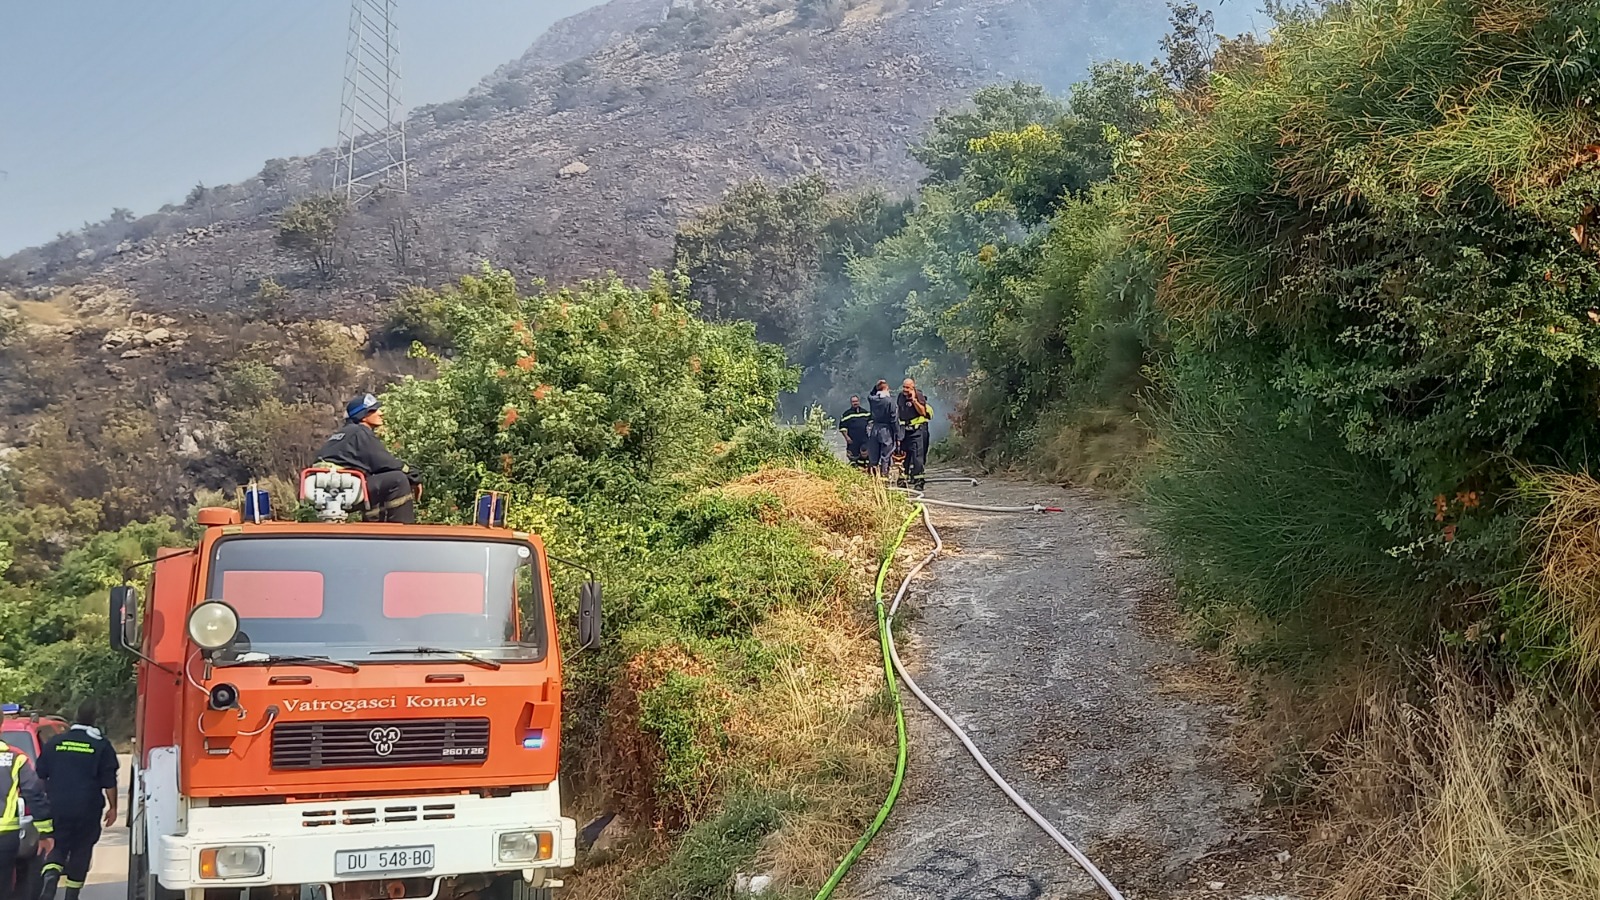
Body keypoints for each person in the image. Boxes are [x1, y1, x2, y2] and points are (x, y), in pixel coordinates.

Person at [35, 705, 114, 900]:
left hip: (58, 805)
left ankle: (51, 876)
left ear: (75, 719)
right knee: (82, 848)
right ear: (95, 720)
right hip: (87, 807)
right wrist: (114, 807)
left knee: (57, 845)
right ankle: (71, 894)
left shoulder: (55, 742)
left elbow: (40, 774)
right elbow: (109, 781)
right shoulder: (101, 745)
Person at [312, 393, 422, 524]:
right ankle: (402, 531)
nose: (380, 413)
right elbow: (385, 462)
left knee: (377, 479)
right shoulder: (360, 432)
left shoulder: (344, 434)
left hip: (325, 488)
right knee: (398, 479)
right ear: (363, 415)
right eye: (374, 410)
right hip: (341, 487)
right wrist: (413, 475)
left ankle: (372, 528)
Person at [0, 750, 51, 900]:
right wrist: (45, 831)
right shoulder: (16, 759)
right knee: (3, 886)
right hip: (5, 835)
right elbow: (33, 793)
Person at [897, 378, 933, 490]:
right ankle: (903, 479)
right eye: (904, 387)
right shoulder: (900, 397)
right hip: (904, 431)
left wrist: (914, 400)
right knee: (903, 457)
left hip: (917, 431)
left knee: (917, 457)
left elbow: (922, 412)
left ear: (913, 387)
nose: (905, 390)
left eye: (907, 387)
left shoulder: (918, 395)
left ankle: (918, 481)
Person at [866, 380, 900, 479]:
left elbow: (871, 393)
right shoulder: (890, 401)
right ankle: (884, 475)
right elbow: (894, 419)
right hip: (886, 430)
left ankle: (873, 477)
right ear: (887, 388)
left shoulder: (873, 400)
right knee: (886, 455)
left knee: (874, 455)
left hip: (875, 428)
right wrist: (897, 434)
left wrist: (877, 386)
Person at [838, 396, 872, 468]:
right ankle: (855, 471)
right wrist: (847, 438)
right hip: (852, 439)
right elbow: (842, 428)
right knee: (853, 457)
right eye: (853, 402)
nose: (855, 403)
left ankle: (866, 470)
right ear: (851, 403)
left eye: (856, 401)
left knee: (866, 455)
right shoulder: (846, 414)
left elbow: (871, 423)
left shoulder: (865, 412)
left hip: (864, 439)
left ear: (859, 402)